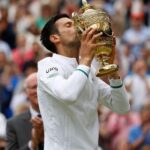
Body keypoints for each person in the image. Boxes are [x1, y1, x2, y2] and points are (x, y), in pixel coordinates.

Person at [37, 14, 130, 150]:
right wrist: (85, 59)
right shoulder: (47, 65)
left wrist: (113, 73)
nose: (77, 27)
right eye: (69, 25)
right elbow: (68, 94)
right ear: (55, 38)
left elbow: (122, 108)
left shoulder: (88, 69)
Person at [6, 73, 44, 150]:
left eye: (41, 86)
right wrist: (32, 144)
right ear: (26, 92)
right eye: (34, 87)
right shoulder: (13, 124)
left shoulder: (61, 117)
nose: (38, 90)